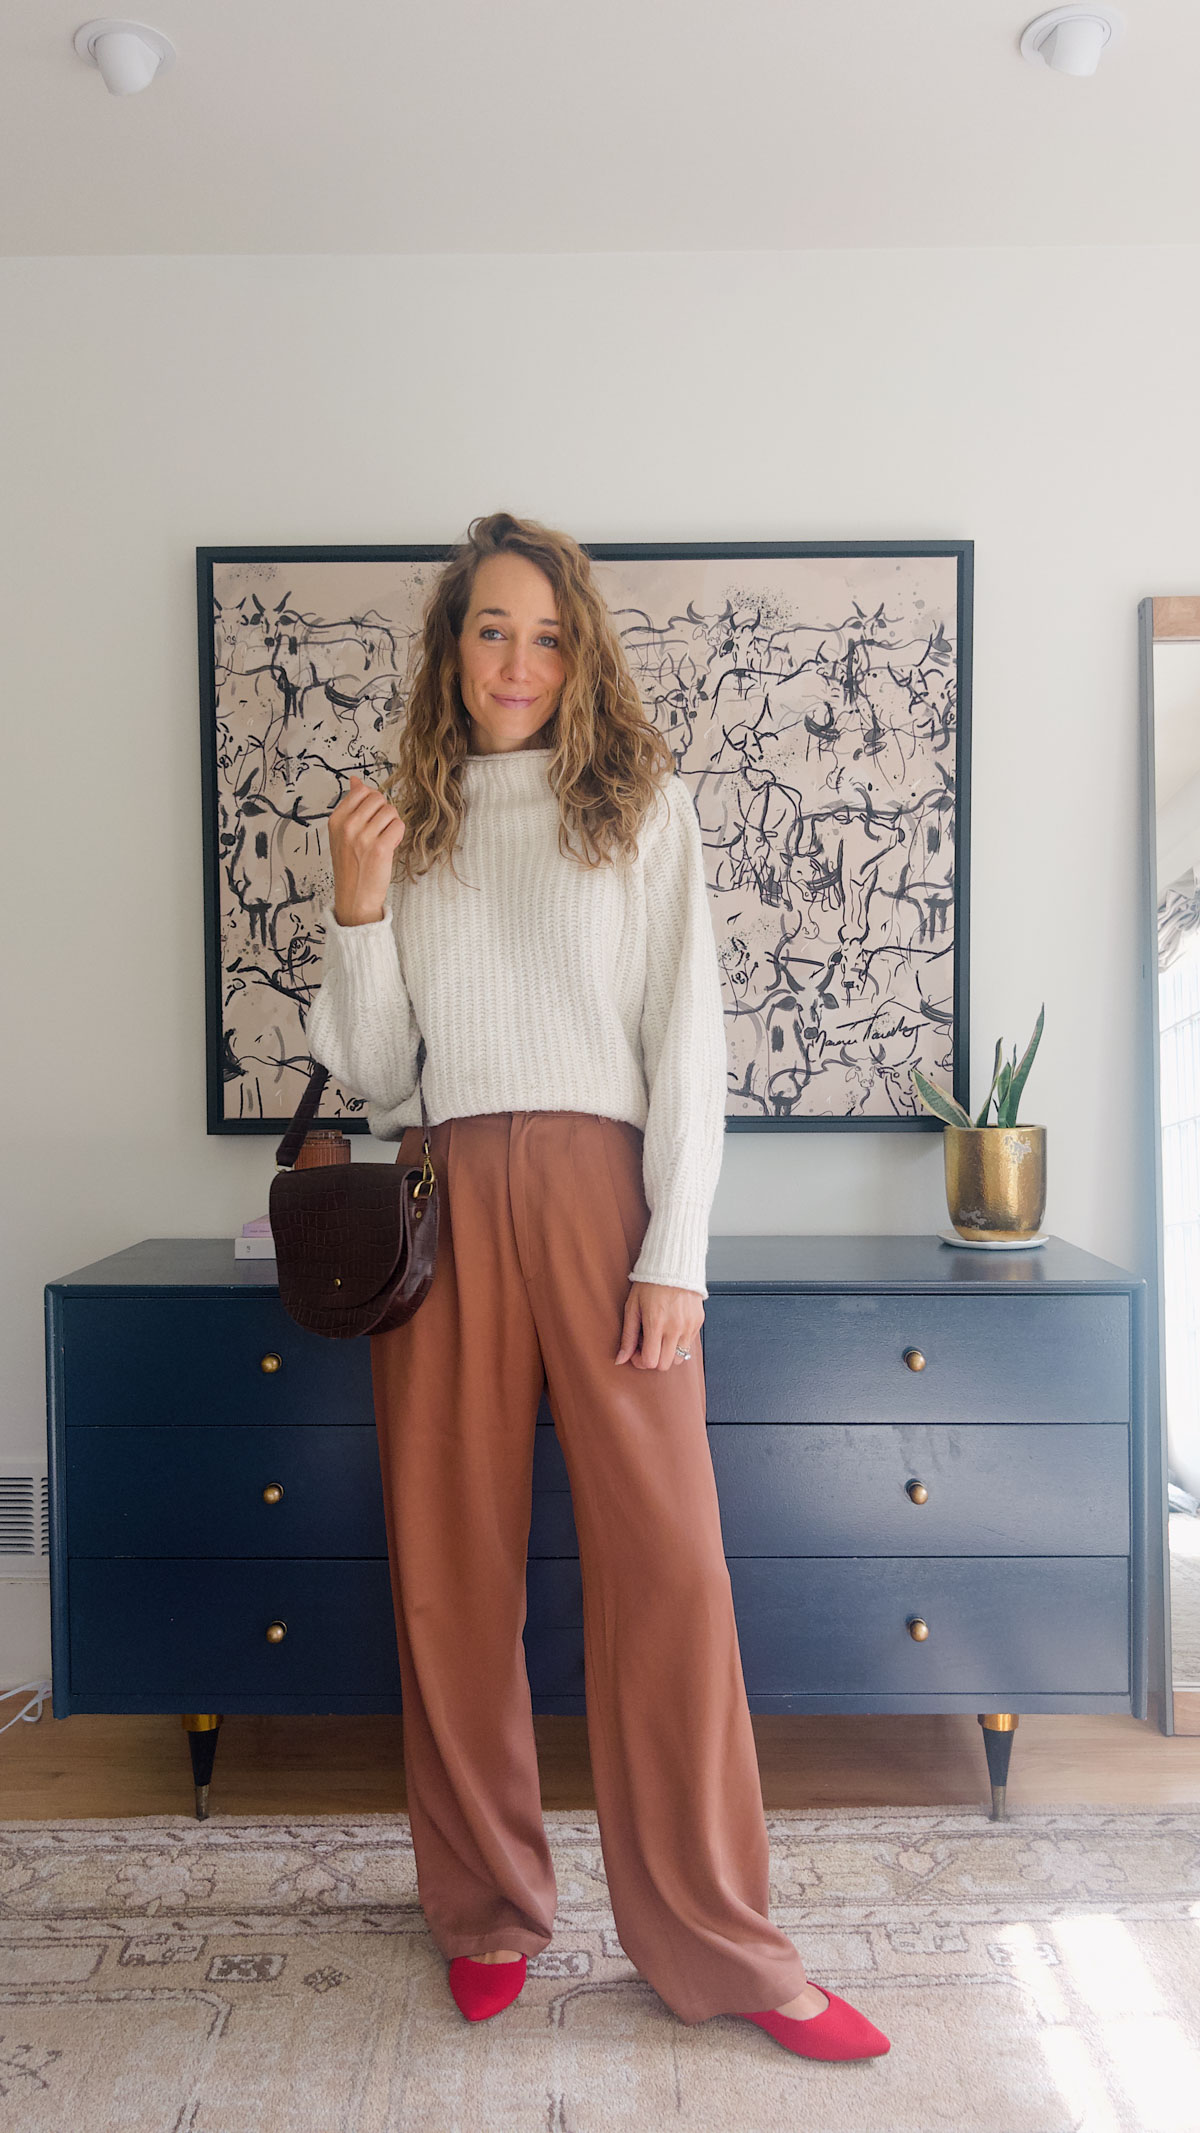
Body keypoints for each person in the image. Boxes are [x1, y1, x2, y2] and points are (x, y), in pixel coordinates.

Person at [305, 510, 889, 2062]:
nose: (519, 660)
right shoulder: (401, 826)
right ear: (452, 648)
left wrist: (674, 1247)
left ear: (584, 653)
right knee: (454, 1575)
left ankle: (724, 1941)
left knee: (674, 1576)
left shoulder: (641, 810)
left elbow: (689, 1046)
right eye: (491, 629)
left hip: (602, 1196)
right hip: (439, 1204)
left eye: (547, 633)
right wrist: (356, 904)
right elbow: (368, 1079)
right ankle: (489, 1907)